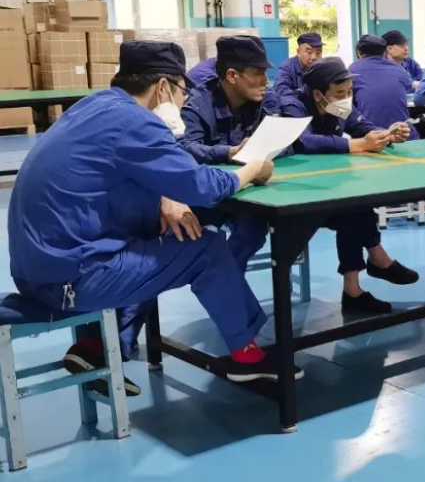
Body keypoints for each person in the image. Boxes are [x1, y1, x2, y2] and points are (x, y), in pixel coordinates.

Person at [10, 41, 294, 393]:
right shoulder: (138, 122)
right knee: (206, 248)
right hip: (73, 279)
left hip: (36, 269)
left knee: (156, 235)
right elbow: (201, 186)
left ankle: (98, 347)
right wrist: (250, 170)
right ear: (162, 87)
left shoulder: (92, 107)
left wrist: (163, 197)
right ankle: (246, 356)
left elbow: (119, 167)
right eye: (180, 91)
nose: (182, 100)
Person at [279, 57, 420, 314]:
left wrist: (386, 134)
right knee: (352, 208)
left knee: (353, 208)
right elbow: (304, 142)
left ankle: (355, 288)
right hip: (297, 192)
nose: (346, 98)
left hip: (329, 187)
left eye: (350, 92)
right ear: (318, 94)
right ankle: (377, 260)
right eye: (340, 93)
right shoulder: (293, 105)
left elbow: (361, 125)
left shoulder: (340, 105)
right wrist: (356, 145)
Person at [180, 35, 282, 266]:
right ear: (232, 75)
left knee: (253, 231)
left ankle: (223, 274)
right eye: (258, 73)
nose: (265, 80)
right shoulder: (198, 103)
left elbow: (285, 142)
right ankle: (220, 275)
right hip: (207, 193)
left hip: (248, 192)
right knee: (200, 234)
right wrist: (230, 152)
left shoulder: (264, 100)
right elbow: (186, 148)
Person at [350, 35, 418, 140]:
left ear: (359, 54)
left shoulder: (352, 70)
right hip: (403, 135)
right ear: (385, 52)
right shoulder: (400, 70)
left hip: (371, 137)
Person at [273, 32, 323, 98]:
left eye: (318, 53)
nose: (314, 57)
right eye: (309, 52)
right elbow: (281, 92)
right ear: (298, 52)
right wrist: (304, 93)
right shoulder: (287, 68)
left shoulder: (322, 68)